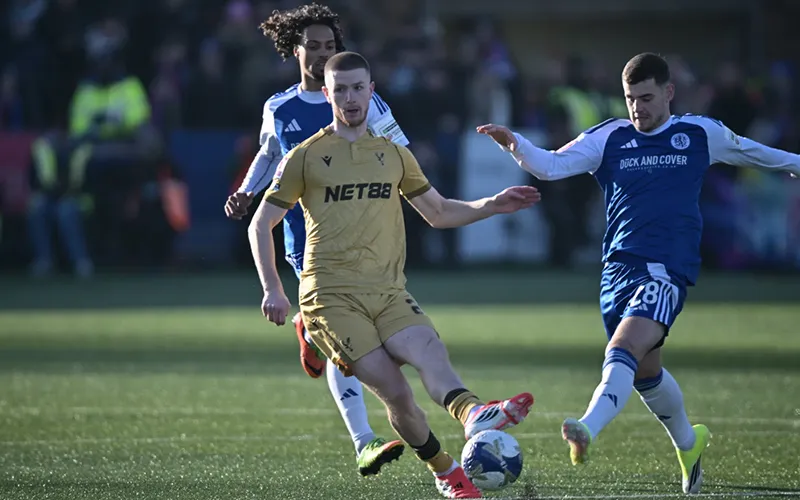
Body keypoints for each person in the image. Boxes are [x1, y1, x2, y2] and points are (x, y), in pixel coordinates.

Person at [477, 52, 800, 495]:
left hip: (667, 270)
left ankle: (587, 428)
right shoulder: (610, 137)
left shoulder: (699, 133)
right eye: (630, 99)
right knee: (645, 373)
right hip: (617, 272)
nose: (637, 108)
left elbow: (755, 153)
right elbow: (551, 166)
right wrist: (515, 143)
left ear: (668, 92)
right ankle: (690, 443)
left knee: (622, 347)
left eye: (646, 98)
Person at [249, 51, 538, 499]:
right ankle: (447, 473)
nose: (349, 97)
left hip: (387, 290)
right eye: (339, 89)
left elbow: (438, 213)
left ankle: (473, 413)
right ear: (326, 94)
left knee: (429, 350)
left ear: (371, 91)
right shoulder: (304, 158)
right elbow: (259, 224)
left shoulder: (393, 154)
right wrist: (273, 288)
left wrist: (493, 204)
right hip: (330, 299)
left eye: (357, 87)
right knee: (397, 394)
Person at [223, 4, 410, 476]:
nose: (322, 53)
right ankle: (364, 441)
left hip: (364, 236)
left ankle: (308, 326)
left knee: (356, 335)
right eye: (314, 46)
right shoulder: (279, 107)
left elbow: (400, 152)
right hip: (306, 239)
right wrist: (247, 192)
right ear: (295, 50)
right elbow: (270, 156)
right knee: (344, 347)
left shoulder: (365, 99)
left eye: (331, 45)